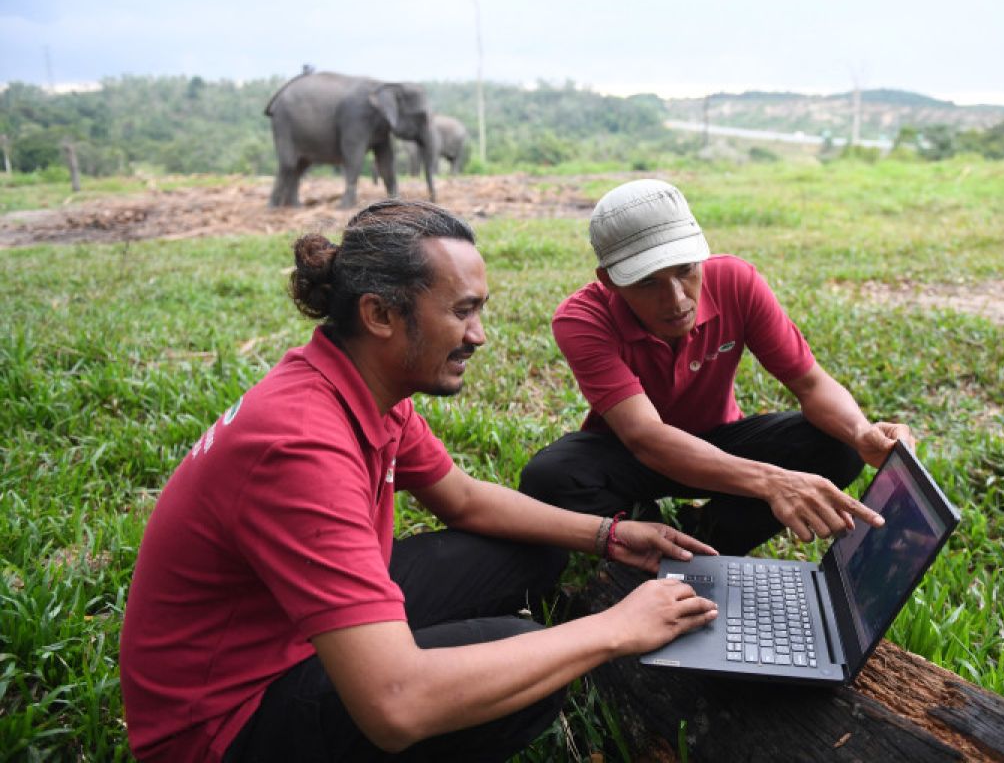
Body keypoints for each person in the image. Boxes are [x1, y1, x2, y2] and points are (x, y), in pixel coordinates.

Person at [119, 199, 719, 763]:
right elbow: (396, 707)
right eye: (462, 311)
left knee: (531, 551)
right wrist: (614, 630)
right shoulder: (299, 446)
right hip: (224, 723)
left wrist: (607, 535)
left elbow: (461, 498)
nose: (479, 335)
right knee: (520, 680)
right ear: (379, 314)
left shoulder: (358, 386)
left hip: (284, 626)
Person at [519, 179, 915, 556]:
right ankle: (645, 530)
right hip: (631, 453)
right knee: (550, 478)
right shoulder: (581, 319)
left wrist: (862, 433)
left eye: (685, 270)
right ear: (609, 281)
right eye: (647, 283)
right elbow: (644, 436)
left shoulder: (737, 282)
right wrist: (774, 482)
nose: (675, 300)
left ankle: (703, 538)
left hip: (719, 441)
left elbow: (810, 384)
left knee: (838, 446)